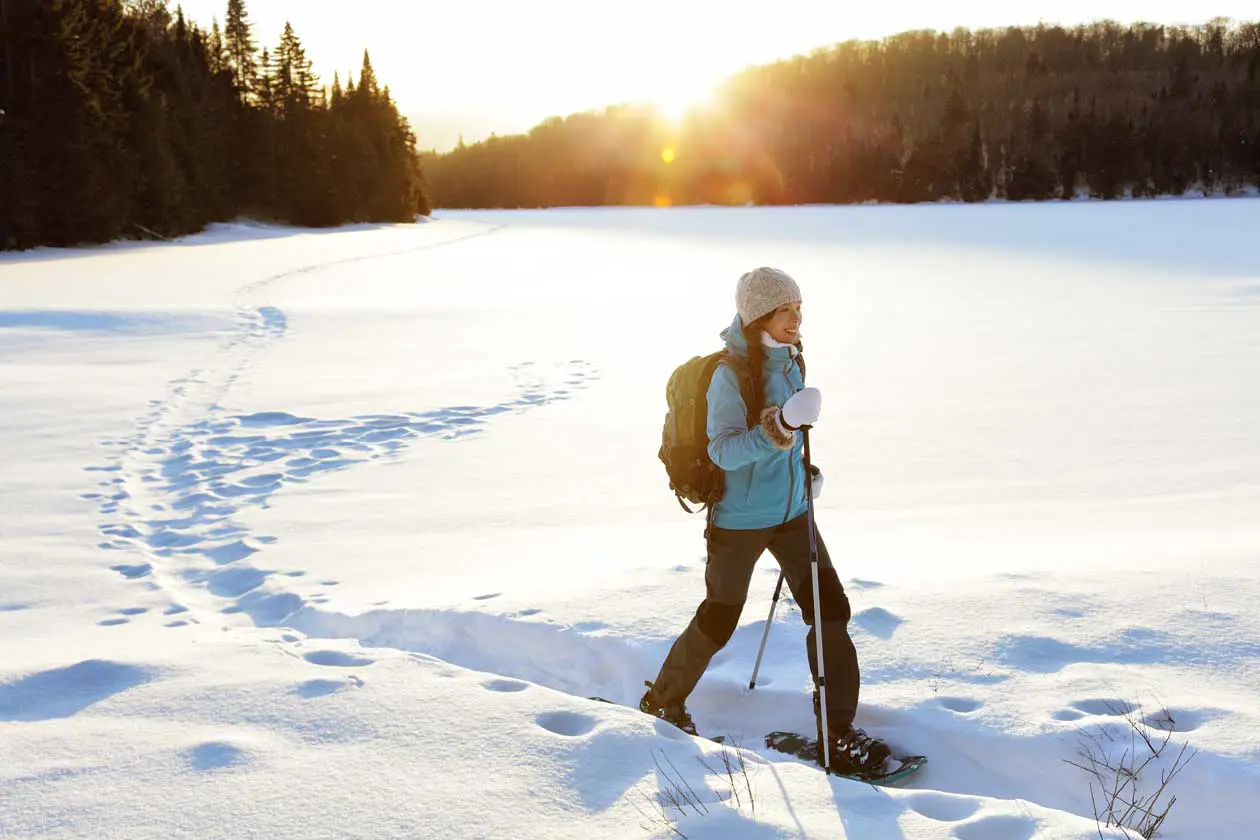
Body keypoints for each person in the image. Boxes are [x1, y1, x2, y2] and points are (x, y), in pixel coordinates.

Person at [639, 266, 891, 776]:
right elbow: (726, 450)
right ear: (759, 316)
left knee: (830, 611)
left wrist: (802, 473)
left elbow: (789, 440)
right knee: (720, 616)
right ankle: (664, 701)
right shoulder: (729, 375)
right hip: (740, 520)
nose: (796, 320)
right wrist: (780, 426)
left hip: (794, 515)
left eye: (799, 310)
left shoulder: (792, 360)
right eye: (785, 311)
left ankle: (838, 735)